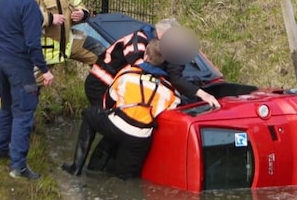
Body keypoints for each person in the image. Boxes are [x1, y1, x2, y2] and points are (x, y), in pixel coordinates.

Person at [78, 18, 220, 172]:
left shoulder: (159, 45)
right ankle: (93, 169)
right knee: (114, 129)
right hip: (102, 84)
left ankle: (104, 170)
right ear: (162, 34)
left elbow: (169, 73)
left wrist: (195, 90)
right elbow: (143, 68)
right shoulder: (138, 41)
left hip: (124, 86)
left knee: (119, 131)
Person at [60, 26, 200, 179]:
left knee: (90, 115)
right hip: (140, 138)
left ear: (145, 55)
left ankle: (77, 168)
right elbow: (170, 109)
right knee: (124, 177)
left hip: (118, 122)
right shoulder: (167, 89)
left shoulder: (127, 74)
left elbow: (109, 101)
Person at [0, 0, 59, 181]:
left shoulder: (4, 0)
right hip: (21, 68)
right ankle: (18, 166)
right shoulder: (29, 6)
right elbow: (32, 43)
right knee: (24, 113)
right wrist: (44, 70)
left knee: (7, 106)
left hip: (0, 61)